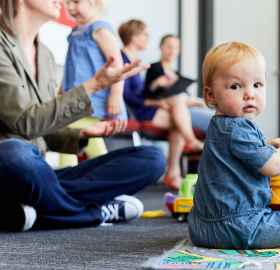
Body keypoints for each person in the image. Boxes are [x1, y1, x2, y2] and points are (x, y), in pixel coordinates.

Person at [0, 0, 165, 232]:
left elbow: (41, 127)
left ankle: (28, 211)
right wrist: (95, 85)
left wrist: (78, 134)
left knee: (152, 159)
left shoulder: (45, 55)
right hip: (11, 166)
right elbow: (25, 122)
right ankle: (92, 213)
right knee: (15, 153)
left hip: (38, 175)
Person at [188, 42, 280, 249]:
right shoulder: (238, 128)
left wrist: (265, 143)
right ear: (210, 95)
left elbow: (234, 151)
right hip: (238, 225)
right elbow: (273, 166)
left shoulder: (218, 125)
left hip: (201, 226)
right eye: (236, 86)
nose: (250, 94)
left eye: (257, 85)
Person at [119, 20, 212, 189]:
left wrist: (158, 101)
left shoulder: (134, 59)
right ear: (134, 36)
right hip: (140, 110)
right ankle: (187, 146)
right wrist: (156, 100)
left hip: (148, 106)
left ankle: (173, 173)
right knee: (178, 108)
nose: (148, 39)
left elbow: (140, 93)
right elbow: (128, 95)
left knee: (178, 119)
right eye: (145, 35)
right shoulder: (124, 59)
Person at [63, 0, 127, 120]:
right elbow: (69, 65)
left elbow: (117, 66)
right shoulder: (75, 32)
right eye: (67, 2)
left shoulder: (100, 29)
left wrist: (115, 96)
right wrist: (62, 91)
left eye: (76, 2)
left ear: (92, 2)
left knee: (95, 135)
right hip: (77, 100)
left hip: (99, 103)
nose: (70, 7)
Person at [143, 34, 204, 154]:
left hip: (182, 106)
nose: (172, 51)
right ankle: (191, 140)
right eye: (169, 47)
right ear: (161, 48)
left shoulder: (176, 72)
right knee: (181, 101)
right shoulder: (154, 68)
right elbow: (147, 93)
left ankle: (174, 170)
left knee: (195, 102)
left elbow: (184, 92)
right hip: (170, 105)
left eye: (176, 48)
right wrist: (156, 83)